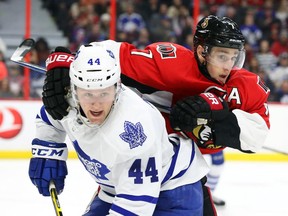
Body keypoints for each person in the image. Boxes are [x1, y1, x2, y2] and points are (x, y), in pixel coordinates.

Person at [41, 15, 270, 212]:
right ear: (202, 51)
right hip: (136, 169)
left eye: (234, 57)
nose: (229, 66)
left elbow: (256, 135)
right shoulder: (169, 64)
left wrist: (215, 114)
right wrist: (63, 61)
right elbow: (102, 53)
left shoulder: (245, 86)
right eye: (222, 56)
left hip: (183, 175)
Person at [29, 43, 211, 215]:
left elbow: (135, 207)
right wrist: (48, 151)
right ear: (74, 91)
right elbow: (49, 119)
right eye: (88, 94)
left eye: (104, 93)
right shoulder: (67, 101)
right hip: (117, 188)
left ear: (117, 88)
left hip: (174, 189)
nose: (96, 104)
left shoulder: (135, 130)